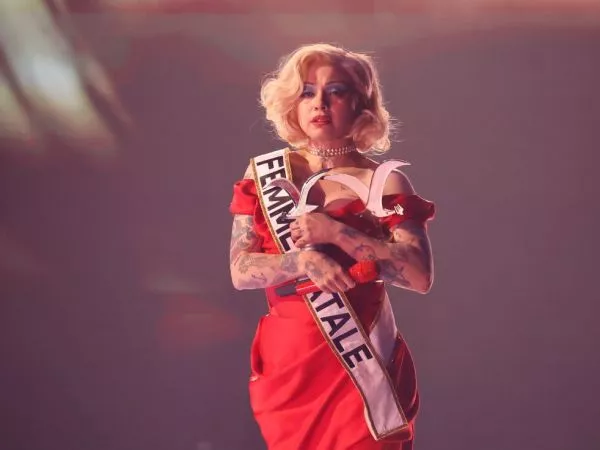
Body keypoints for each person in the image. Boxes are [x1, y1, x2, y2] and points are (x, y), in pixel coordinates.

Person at [229, 43, 435, 450]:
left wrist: (339, 234)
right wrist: (303, 260)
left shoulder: (384, 182)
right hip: (291, 366)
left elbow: (418, 275)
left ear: (361, 104)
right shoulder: (263, 175)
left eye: (335, 91)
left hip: (363, 362)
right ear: (292, 102)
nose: (319, 103)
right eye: (307, 92)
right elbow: (240, 271)